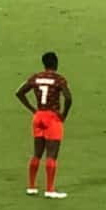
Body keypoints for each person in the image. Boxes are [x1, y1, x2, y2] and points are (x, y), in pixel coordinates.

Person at [15, 52, 72, 199]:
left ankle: (32, 187)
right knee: (52, 155)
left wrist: (33, 109)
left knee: (37, 153)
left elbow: (19, 93)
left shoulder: (36, 77)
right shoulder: (59, 80)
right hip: (52, 118)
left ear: (44, 64)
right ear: (56, 64)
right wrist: (64, 114)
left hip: (38, 116)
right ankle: (50, 189)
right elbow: (68, 98)